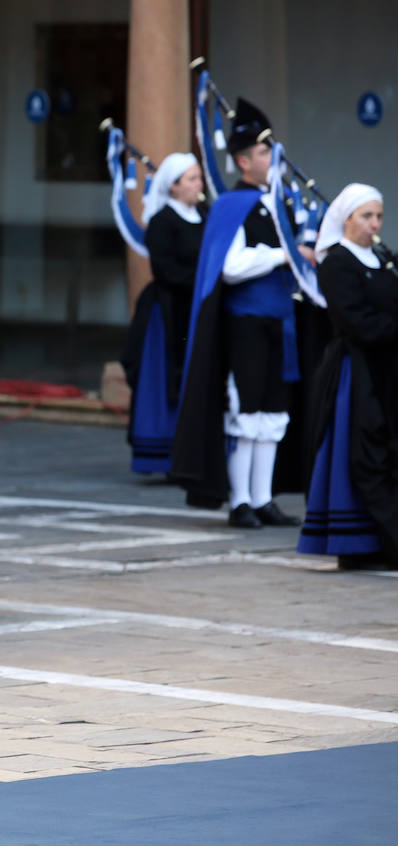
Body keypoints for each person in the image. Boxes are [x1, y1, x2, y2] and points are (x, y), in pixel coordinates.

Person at [171, 99, 314, 528]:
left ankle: (264, 497)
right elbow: (230, 268)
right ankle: (240, 500)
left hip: (279, 322)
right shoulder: (232, 205)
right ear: (242, 160)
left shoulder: (280, 203)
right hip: (246, 322)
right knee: (245, 411)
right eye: (264, 153)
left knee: (272, 412)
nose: (272, 160)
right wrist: (281, 255)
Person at [298, 185, 398, 568]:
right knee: (363, 453)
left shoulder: (382, 258)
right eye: (366, 216)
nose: (374, 224)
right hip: (356, 371)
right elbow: (355, 320)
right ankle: (363, 543)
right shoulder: (338, 262)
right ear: (347, 219)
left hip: (385, 368)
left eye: (378, 216)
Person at [122, 153, 206, 474]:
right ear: (173, 187)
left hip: (198, 308)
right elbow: (165, 269)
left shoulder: (206, 215)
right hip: (168, 311)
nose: (199, 185)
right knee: (167, 378)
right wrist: (201, 281)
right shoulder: (162, 221)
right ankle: (164, 453)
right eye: (192, 179)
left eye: (199, 178)